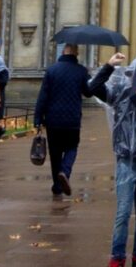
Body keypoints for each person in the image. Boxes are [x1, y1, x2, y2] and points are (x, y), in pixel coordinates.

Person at [91, 52, 136, 267]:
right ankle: (117, 257)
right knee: (122, 212)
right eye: (133, 75)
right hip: (125, 162)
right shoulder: (119, 93)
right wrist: (109, 66)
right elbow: (93, 88)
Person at [34, 42, 93, 198]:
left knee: (55, 153)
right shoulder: (81, 71)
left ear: (64, 51)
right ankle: (65, 171)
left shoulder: (52, 71)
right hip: (72, 119)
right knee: (72, 148)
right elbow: (88, 93)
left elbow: (43, 97)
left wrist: (37, 119)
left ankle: (57, 186)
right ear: (75, 53)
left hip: (53, 120)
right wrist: (90, 77)